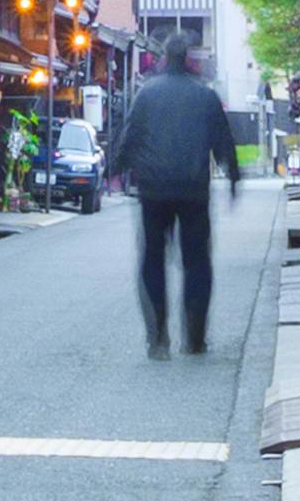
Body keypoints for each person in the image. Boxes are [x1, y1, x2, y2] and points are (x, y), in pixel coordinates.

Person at [100, 35, 240, 358]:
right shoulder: (204, 96)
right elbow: (223, 141)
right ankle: (194, 337)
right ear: (187, 58)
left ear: (163, 57)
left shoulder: (147, 94)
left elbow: (129, 136)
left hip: (154, 190)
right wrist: (233, 178)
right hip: (193, 189)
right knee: (197, 262)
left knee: (152, 260)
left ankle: (158, 336)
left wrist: (114, 169)